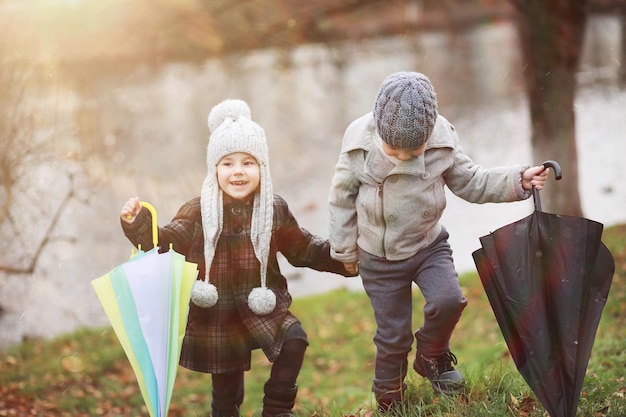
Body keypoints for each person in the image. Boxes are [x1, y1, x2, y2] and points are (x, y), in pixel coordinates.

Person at [328, 71, 550, 411]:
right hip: (379, 258)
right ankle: (389, 398)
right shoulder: (359, 145)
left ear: (429, 135)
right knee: (393, 336)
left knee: (449, 300)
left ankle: (432, 356)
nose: (403, 157)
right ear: (379, 132)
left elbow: (472, 181)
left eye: (412, 151)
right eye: (393, 150)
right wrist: (344, 249)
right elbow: (341, 198)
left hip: (428, 245)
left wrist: (517, 180)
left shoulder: (442, 141)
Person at [120, 99, 354, 417]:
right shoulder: (196, 211)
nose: (238, 172)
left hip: (263, 305)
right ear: (214, 168)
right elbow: (165, 243)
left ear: (262, 168)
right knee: (226, 397)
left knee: (294, 339)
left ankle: (276, 409)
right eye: (228, 163)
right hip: (218, 314)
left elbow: (304, 249)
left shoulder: (273, 208)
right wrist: (138, 225)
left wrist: (343, 259)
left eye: (248, 162)